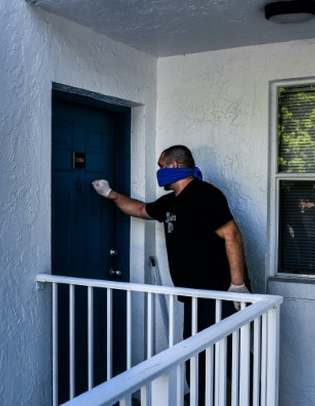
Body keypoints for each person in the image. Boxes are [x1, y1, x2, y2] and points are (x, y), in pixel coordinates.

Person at [91, 145, 250, 403]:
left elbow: (231, 234)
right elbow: (141, 210)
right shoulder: (171, 202)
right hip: (193, 297)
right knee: (197, 358)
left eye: (160, 166)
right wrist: (110, 194)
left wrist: (237, 285)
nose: (159, 171)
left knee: (226, 357)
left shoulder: (205, 195)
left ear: (173, 166)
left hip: (220, 296)